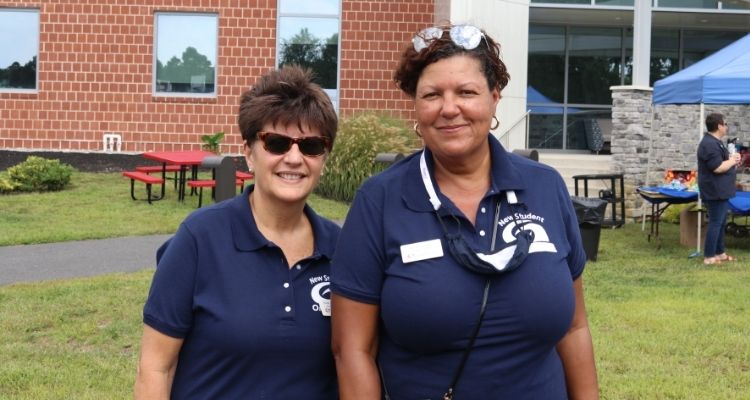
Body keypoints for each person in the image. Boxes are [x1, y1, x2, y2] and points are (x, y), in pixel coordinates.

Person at [330, 24, 599, 399]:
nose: (449, 108)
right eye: (432, 94)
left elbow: (574, 328)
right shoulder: (380, 201)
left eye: (466, 92)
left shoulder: (544, 187)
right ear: (415, 106)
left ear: (494, 98)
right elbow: (353, 349)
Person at [134, 65, 340, 399]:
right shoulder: (199, 240)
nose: (294, 157)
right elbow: (156, 367)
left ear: (323, 159)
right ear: (249, 154)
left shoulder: (342, 250)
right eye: (276, 143)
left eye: (311, 146)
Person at [697, 113, 741, 265]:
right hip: (714, 190)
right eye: (725, 123)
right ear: (719, 126)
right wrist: (733, 160)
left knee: (721, 222)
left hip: (721, 190)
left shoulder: (716, 142)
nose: (727, 126)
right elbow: (718, 168)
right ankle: (709, 257)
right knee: (715, 222)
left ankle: (720, 253)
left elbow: (723, 163)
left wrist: (731, 159)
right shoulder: (709, 144)